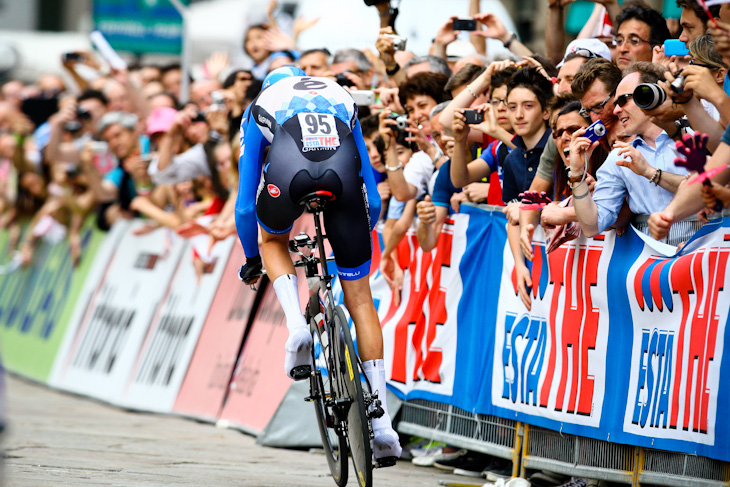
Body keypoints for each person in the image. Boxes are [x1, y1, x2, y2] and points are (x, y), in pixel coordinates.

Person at [234, 66, 401, 461]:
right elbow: (373, 198)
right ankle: (381, 421)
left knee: (274, 238)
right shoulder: (339, 93)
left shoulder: (262, 104)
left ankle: (295, 326)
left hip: (289, 177)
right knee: (360, 302)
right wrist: (358, 231)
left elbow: (244, 204)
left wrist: (251, 259)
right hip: (342, 183)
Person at [569, 62, 690, 243]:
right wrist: (577, 175)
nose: (616, 110)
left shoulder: (695, 135)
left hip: (708, 257)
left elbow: (710, 188)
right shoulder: (620, 155)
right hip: (654, 263)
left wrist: (649, 172)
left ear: (649, 93)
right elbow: (592, 226)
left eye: (623, 100)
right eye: (616, 103)